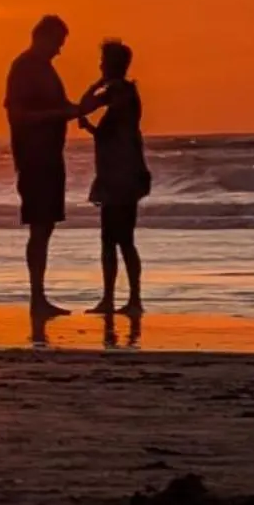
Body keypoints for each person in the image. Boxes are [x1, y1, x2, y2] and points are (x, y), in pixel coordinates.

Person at [4, 14, 83, 317]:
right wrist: (61, 115)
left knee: (45, 227)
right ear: (43, 37)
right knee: (39, 227)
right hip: (34, 158)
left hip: (50, 156)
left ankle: (40, 296)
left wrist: (81, 109)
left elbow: (62, 108)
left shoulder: (46, 70)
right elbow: (19, 116)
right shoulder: (24, 68)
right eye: (58, 43)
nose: (59, 50)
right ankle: (36, 297)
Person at [77, 39, 150, 316]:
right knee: (113, 239)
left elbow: (84, 106)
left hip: (123, 177)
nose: (100, 66)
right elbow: (110, 133)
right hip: (116, 176)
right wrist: (92, 130)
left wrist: (97, 84)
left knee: (120, 240)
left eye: (103, 62)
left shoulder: (121, 92)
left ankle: (130, 299)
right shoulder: (122, 93)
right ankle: (115, 298)